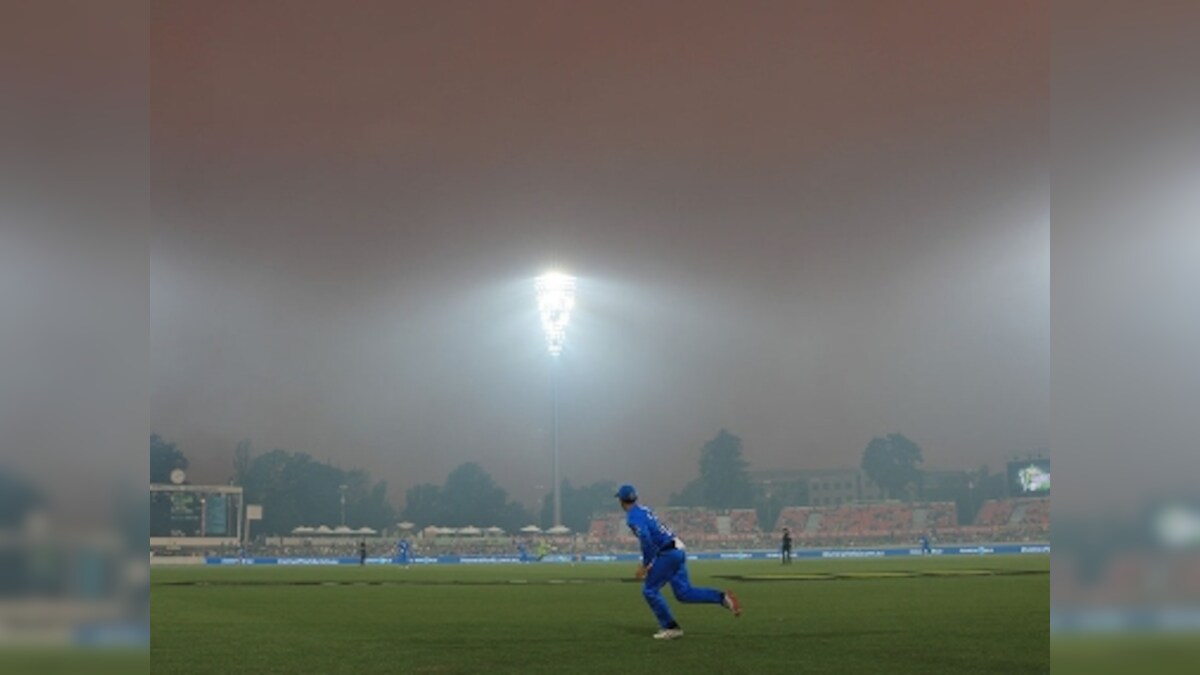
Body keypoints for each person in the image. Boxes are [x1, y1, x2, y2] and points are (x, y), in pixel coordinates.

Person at [615, 484, 741, 640]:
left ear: (621, 500)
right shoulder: (644, 510)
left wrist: (646, 564)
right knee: (684, 593)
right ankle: (722, 598)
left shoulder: (633, 517)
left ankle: (670, 627)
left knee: (649, 590)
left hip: (668, 553)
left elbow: (646, 539)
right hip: (677, 549)